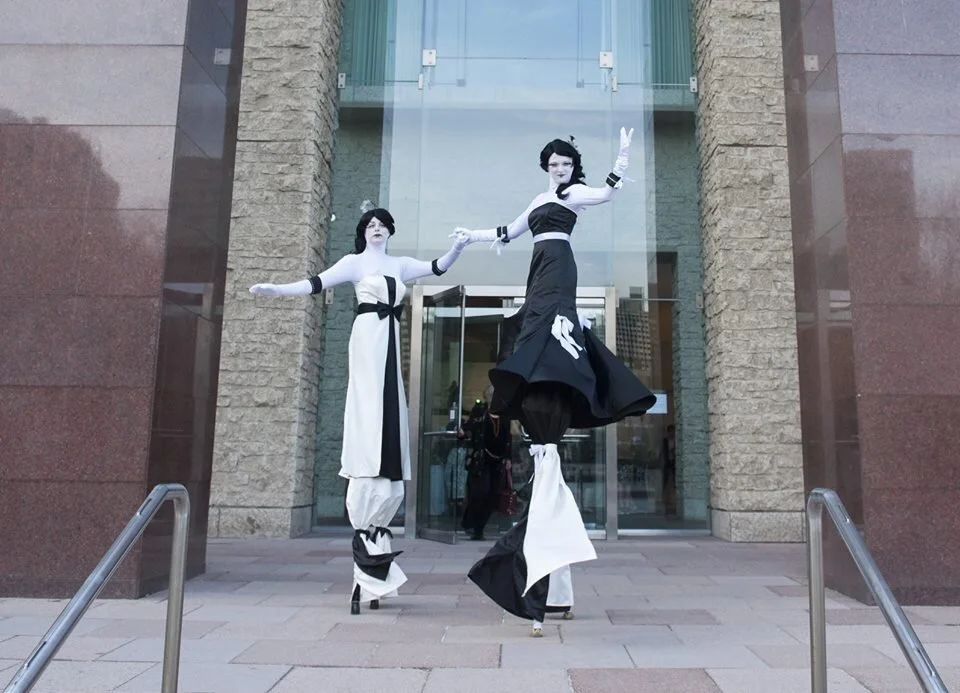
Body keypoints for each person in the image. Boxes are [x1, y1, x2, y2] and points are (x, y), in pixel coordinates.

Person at [457, 130, 657, 635]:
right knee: (533, 323)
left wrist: (623, 157)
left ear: (573, 167)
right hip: (537, 266)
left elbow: (609, 193)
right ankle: (556, 588)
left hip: (559, 267)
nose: (560, 168)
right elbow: (507, 232)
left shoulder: (572, 198)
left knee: (551, 322)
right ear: (546, 166)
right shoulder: (541, 198)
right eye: (554, 162)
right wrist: (470, 238)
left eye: (566, 162)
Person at [249, 204, 470, 614]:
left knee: (390, 407)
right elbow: (315, 283)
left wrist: (458, 246)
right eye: (371, 225)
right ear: (363, 231)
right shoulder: (353, 263)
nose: (377, 229)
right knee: (368, 405)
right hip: (368, 336)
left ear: (390, 231)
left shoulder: (399, 264)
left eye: (383, 225)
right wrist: (277, 290)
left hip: (390, 336)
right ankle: (367, 555)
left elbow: (437, 267)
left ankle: (374, 569)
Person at [461, 386, 513, 540]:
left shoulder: (504, 414)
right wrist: (463, 432)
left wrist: (508, 458)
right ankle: (469, 524)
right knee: (478, 493)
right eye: (491, 395)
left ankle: (479, 529)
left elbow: (507, 437)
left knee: (492, 495)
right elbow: (470, 426)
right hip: (481, 458)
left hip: (497, 459)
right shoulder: (480, 411)